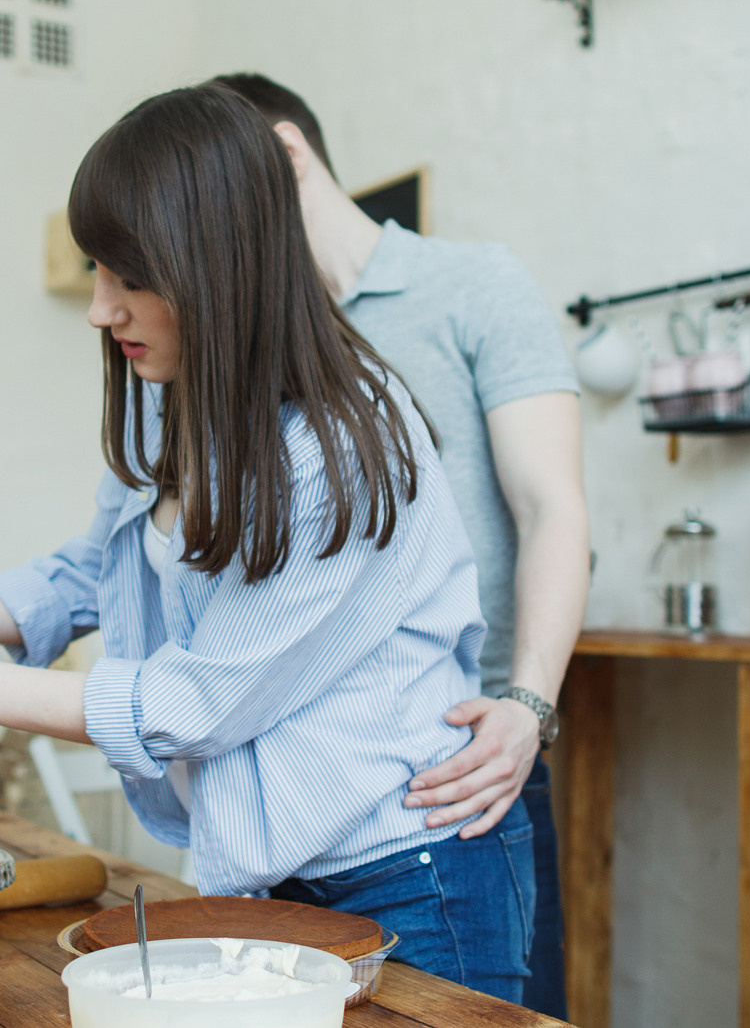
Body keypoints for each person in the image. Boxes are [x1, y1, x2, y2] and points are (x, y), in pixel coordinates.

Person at [0, 84, 539, 1003]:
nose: (100, 310)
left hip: (414, 875)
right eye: (97, 270)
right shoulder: (176, 396)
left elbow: (193, 702)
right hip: (276, 875)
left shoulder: (340, 447)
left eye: (130, 278)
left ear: (223, 266)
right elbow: (100, 566)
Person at [212, 73, 588, 1020]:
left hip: (469, 754)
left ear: (287, 154)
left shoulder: (474, 284)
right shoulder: (249, 339)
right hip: (307, 780)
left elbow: (552, 507)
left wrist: (526, 706)